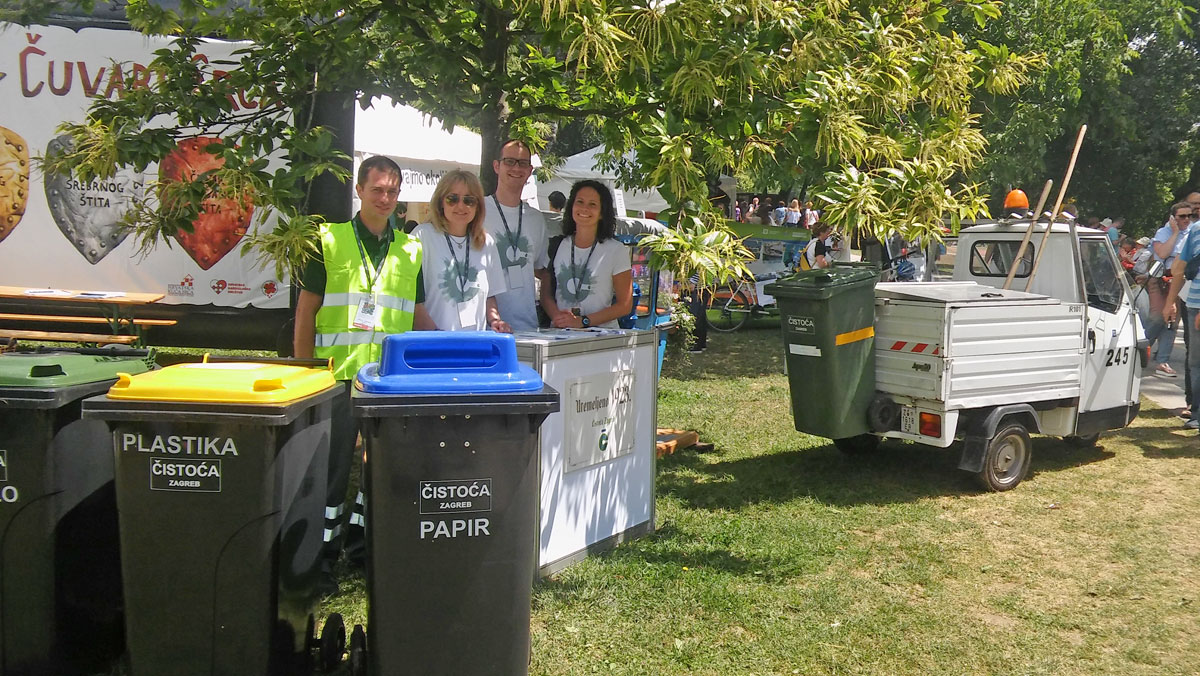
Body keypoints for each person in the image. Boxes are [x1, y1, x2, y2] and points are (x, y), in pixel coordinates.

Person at [293, 155, 435, 588]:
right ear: (359, 190)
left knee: (377, 471)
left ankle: (360, 548)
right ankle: (317, 561)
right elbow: (306, 314)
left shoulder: (410, 249)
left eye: (393, 191)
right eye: (378, 190)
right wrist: (305, 372)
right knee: (330, 474)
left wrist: (452, 349)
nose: (386, 198)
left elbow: (417, 315)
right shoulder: (327, 240)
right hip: (334, 376)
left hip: (386, 379)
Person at [412, 169, 512, 332]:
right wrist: (434, 336)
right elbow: (413, 298)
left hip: (475, 345)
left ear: (478, 206)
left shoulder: (487, 243)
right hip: (435, 344)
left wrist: (495, 321)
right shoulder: (422, 236)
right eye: (452, 199)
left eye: (469, 200)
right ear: (440, 202)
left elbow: (490, 295)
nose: (461, 206)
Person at [541, 179, 633, 329]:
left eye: (592, 204)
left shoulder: (616, 250)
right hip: (560, 336)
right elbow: (545, 295)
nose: (584, 209)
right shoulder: (557, 245)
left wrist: (583, 321)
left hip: (600, 339)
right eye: (580, 202)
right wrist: (558, 318)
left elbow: (625, 305)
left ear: (602, 212)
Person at [483, 139, 550, 331]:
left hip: (527, 326)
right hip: (487, 327)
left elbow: (542, 270)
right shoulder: (478, 210)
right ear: (497, 166)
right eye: (509, 161)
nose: (516, 168)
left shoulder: (536, 218)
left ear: (529, 171)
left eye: (522, 163)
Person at [1164, 207, 1200, 430]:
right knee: (1195, 362)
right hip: (1194, 304)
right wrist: (1169, 302)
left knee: (1197, 363)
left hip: (1197, 306)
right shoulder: (1195, 230)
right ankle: (1196, 413)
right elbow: (1180, 269)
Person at [1148, 202, 1192, 377]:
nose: (1186, 220)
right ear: (1173, 218)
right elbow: (1164, 253)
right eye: (1182, 216)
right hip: (1160, 280)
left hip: (1180, 281)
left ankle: (1162, 360)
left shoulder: (1192, 233)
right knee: (1158, 317)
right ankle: (1139, 348)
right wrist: (1175, 233)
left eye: (1189, 216)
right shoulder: (1164, 232)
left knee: (1172, 322)